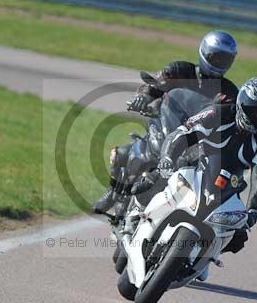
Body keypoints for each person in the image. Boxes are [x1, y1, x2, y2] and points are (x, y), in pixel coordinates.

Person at [93, 30, 240, 214]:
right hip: (164, 125)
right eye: (215, 57)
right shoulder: (179, 70)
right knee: (126, 153)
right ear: (204, 52)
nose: (218, 63)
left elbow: (232, 118)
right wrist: (143, 97)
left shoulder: (229, 92)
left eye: (224, 60)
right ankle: (114, 192)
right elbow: (153, 86)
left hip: (194, 143)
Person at [141, 77, 257, 257]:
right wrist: (167, 157)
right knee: (155, 179)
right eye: (253, 110)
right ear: (241, 103)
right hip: (196, 161)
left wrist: (253, 210)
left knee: (239, 237)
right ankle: (138, 216)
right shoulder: (218, 112)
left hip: (230, 181)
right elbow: (184, 132)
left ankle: (204, 256)